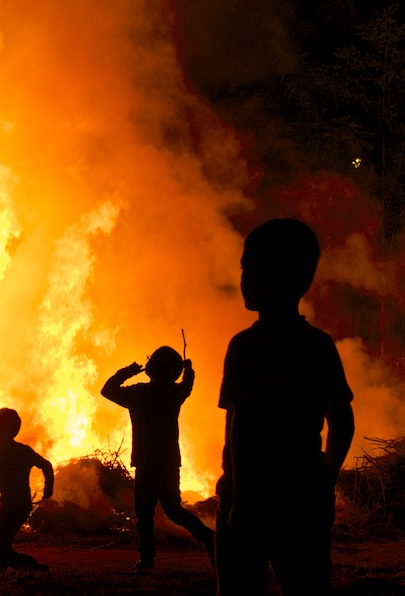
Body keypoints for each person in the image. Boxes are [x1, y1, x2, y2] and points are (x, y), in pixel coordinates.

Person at [216, 218, 355, 596]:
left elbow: (241, 428)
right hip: (304, 495)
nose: (243, 278)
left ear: (276, 276)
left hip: (250, 498)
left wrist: (240, 500)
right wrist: (325, 479)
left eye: (249, 268)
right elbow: (342, 420)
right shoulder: (319, 345)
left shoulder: (246, 347)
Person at [101, 347, 215, 571]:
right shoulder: (175, 393)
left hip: (146, 461)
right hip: (168, 461)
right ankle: (209, 539)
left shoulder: (139, 393)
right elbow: (187, 385)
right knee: (173, 510)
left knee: (144, 513)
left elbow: (108, 390)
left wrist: (127, 372)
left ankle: (147, 557)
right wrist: (189, 369)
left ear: (151, 368)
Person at [0, 408, 54, 573]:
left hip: (12, 507)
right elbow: (46, 466)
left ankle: (31, 567)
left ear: (4, 430)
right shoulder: (23, 451)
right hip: (21, 506)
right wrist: (48, 489)